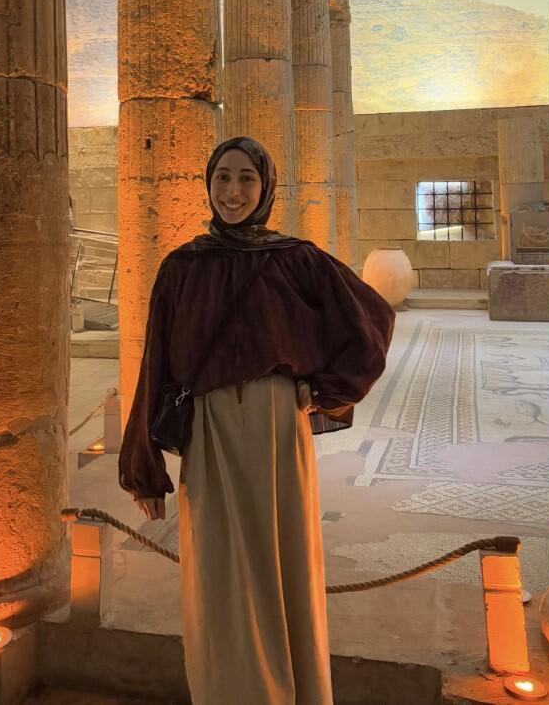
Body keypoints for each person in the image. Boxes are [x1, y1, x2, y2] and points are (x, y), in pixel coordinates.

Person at [118, 136, 396, 705]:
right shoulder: (183, 267)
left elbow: (371, 321)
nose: (233, 191)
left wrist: (327, 390)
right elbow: (155, 364)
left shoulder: (295, 259)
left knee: (283, 562)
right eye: (222, 177)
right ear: (208, 184)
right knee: (219, 572)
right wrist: (143, 469)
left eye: (246, 178)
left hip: (276, 428)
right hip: (212, 432)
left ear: (266, 187)